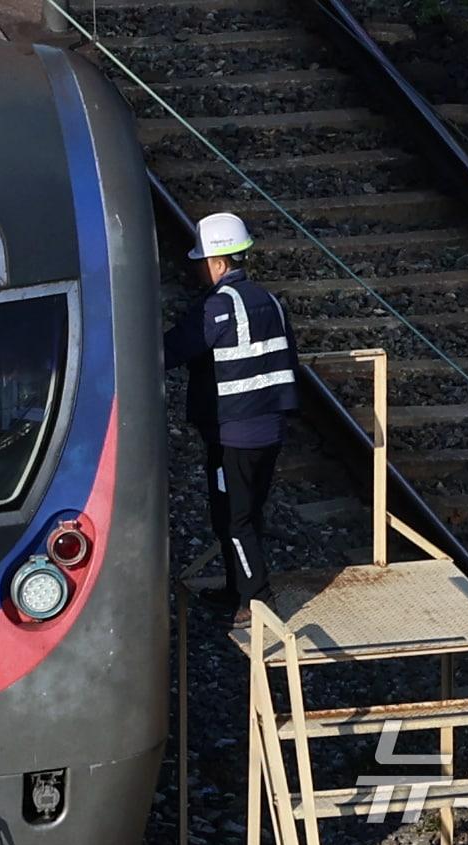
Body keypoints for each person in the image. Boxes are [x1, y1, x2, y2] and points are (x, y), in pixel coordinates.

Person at [164, 212, 299, 627]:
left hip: (233, 435)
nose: (198, 269)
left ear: (219, 263)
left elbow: (170, 351)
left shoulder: (218, 308)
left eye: (201, 261)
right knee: (247, 512)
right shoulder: (269, 301)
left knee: (233, 518)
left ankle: (256, 600)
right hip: (269, 431)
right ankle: (235, 587)